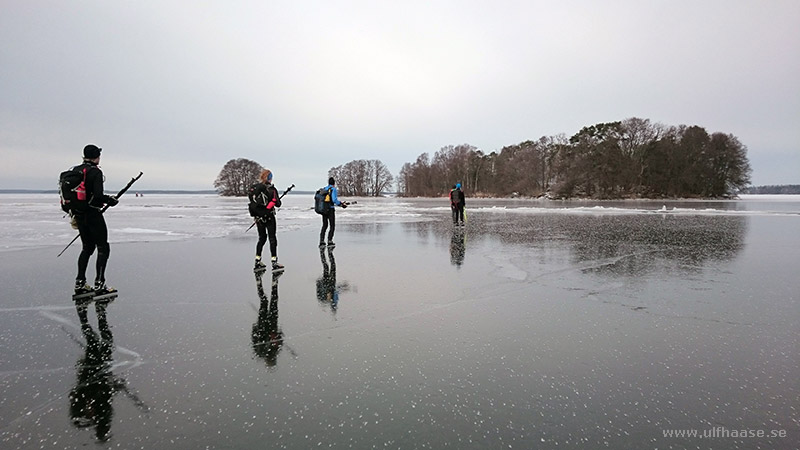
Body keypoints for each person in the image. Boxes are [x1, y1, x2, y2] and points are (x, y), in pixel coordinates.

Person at [73, 145, 119, 296]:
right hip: (92, 214)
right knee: (103, 247)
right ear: (96, 156)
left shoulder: (75, 170)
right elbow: (98, 196)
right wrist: (110, 200)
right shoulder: (95, 172)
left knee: (87, 247)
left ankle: (80, 283)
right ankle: (100, 284)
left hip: (78, 214)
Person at [248, 169, 283, 271]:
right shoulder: (272, 189)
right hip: (269, 216)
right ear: (270, 178)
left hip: (258, 218)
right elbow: (278, 204)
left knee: (261, 238)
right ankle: (274, 262)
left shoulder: (255, 189)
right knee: (272, 239)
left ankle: (257, 261)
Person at [318, 177, 347, 247]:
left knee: (324, 225)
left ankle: (321, 241)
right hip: (330, 209)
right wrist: (341, 204)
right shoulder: (333, 189)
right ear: (334, 183)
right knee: (332, 225)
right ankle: (329, 240)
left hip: (324, 210)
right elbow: (334, 200)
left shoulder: (325, 189)